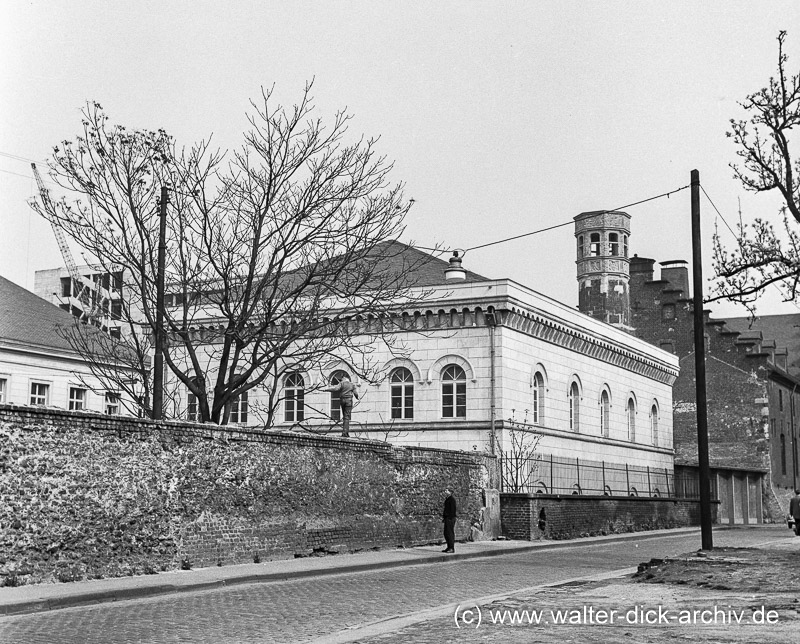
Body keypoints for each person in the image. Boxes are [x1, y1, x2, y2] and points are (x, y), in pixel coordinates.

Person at [442, 488, 456, 553]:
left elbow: (452, 510)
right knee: (446, 533)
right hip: (447, 518)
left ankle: (451, 548)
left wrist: (450, 518)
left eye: (446, 490)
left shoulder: (452, 500)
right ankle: (448, 546)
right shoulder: (448, 499)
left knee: (450, 533)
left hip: (450, 518)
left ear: (450, 492)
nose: (445, 491)